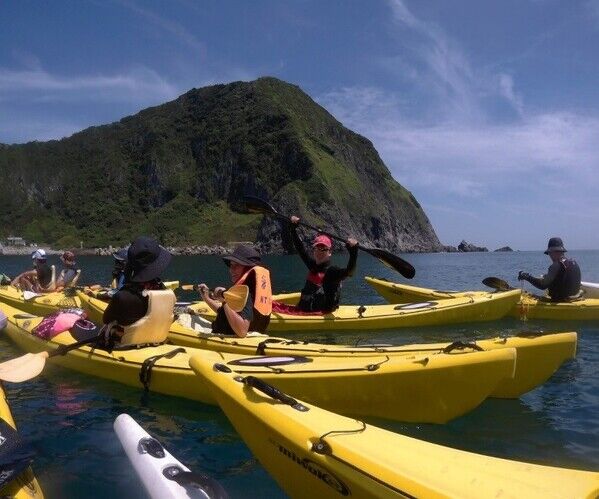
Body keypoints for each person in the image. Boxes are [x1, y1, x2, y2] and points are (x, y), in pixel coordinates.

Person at [102, 237, 175, 347]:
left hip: (126, 346)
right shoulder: (165, 292)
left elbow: (106, 319)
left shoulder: (123, 297)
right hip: (156, 341)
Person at [197, 245, 272, 338]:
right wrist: (207, 298)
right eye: (231, 265)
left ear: (247, 268)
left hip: (229, 341)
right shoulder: (252, 291)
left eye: (236, 265)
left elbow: (242, 331)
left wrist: (224, 300)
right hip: (253, 336)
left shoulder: (245, 293)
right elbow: (227, 312)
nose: (231, 270)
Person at [287, 216, 358, 312]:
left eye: (324, 249)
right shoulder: (313, 266)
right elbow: (301, 249)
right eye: (317, 248)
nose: (320, 252)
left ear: (329, 252)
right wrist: (293, 228)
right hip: (305, 311)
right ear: (314, 250)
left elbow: (350, 272)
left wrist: (353, 252)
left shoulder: (332, 272)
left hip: (322, 315)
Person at [518, 237, 581, 301]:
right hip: (575, 298)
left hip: (560, 300)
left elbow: (543, 285)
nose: (549, 255)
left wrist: (527, 277)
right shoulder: (573, 262)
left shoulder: (556, 265)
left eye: (549, 253)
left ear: (553, 251)